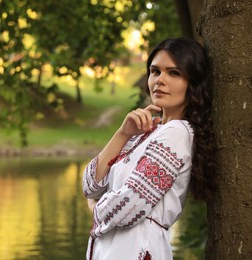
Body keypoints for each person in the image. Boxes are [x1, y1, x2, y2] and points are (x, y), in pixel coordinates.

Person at [82, 37, 216, 260]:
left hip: (137, 249)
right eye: (155, 71)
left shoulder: (178, 133)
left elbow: (128, 207)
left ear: (191, 83)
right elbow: (90, 186)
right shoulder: (147, 133)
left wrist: (95, 207)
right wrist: (123, 134)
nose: (159, 80)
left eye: (173, 73)